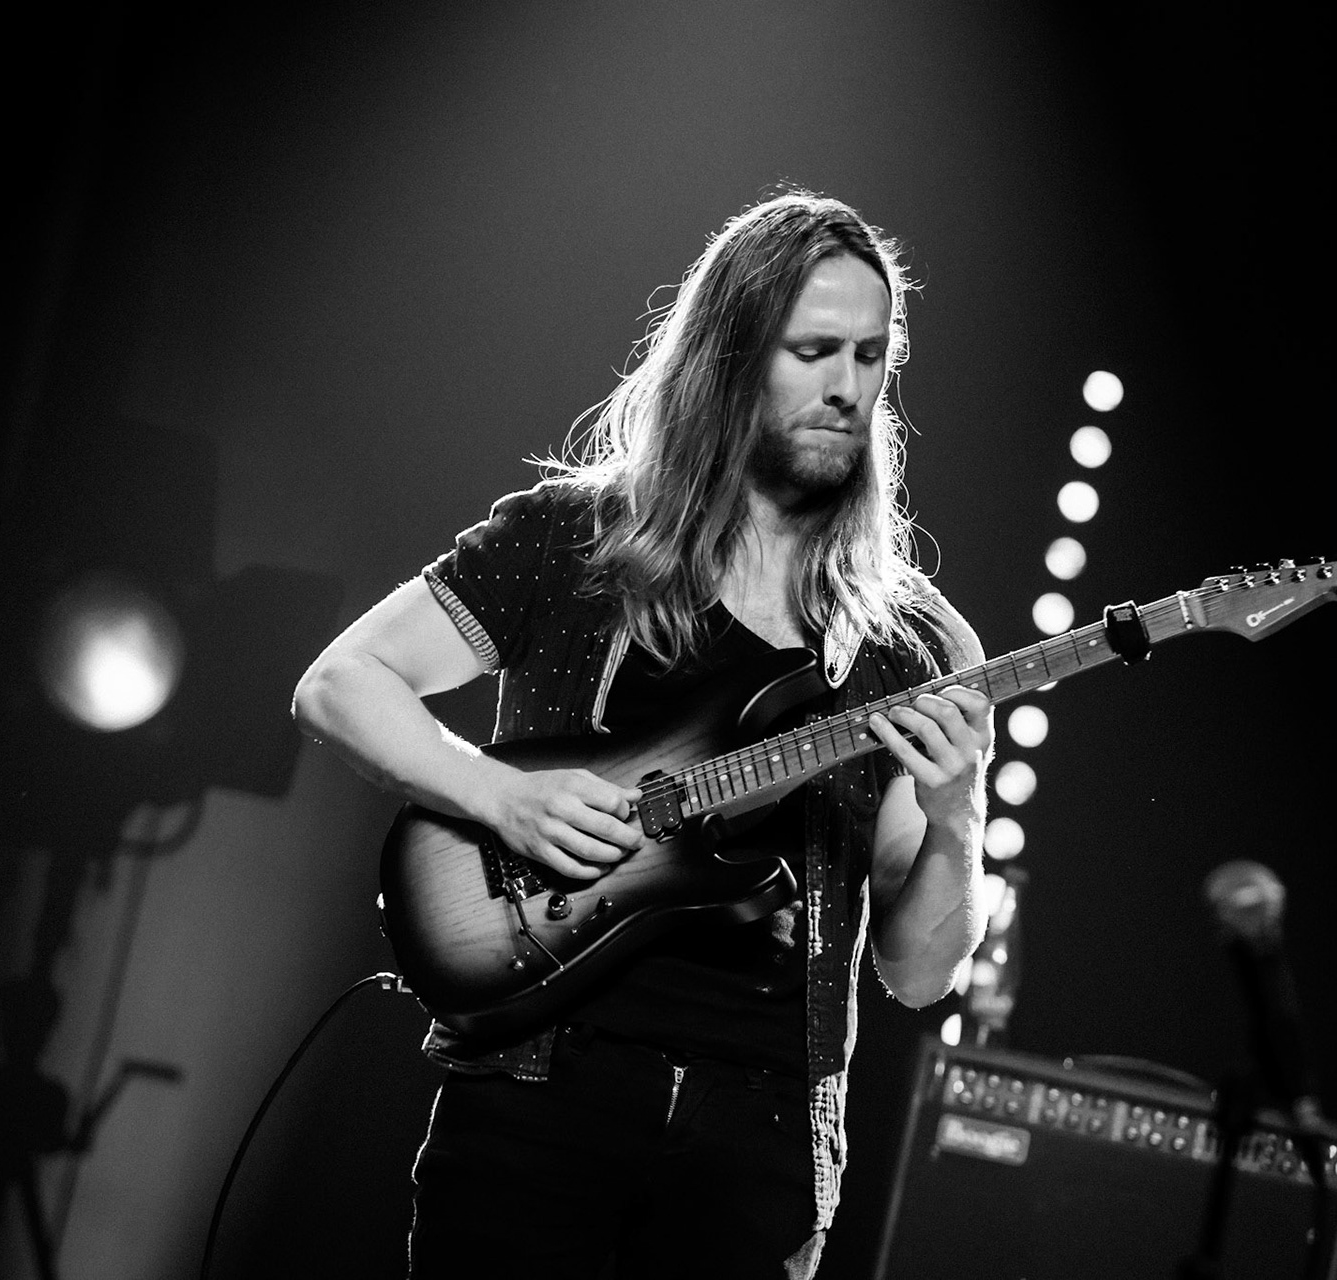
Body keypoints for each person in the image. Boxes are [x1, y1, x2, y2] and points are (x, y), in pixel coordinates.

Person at [292, 190, 993, 1279]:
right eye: (814, 351)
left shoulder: (911, 642)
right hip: (536, 1097)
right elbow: (341, 682)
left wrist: (957, 816)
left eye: (870, 356)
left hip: (757, 1142)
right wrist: (501, 794)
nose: (847, 388)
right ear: (731, 355)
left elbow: (918, 974)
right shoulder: (572, 538)